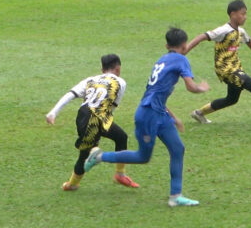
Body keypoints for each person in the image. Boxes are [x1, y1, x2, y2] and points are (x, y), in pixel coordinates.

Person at [84, 28, 209, 207]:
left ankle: (175, 196)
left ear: (167, 45)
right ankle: (99, 157)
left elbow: (156, 93)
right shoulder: (182, 59)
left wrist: (173, 118)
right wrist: (201, 88)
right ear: (184, 45)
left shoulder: (162, 60)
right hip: (149, 114)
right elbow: (190, 87)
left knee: (177, 149)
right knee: (143, 156)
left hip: (159, 113)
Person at [46, 54, 139, 191]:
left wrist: (53, 112)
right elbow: (111, 106)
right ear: (118, 68)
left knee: (118, 137)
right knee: (93, 150)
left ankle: (115, 174)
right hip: (99, 116)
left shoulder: (90, 80)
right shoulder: (121, 82)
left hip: (84, 115)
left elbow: (70, 94)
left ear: (102, 69)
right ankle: (76, 181)